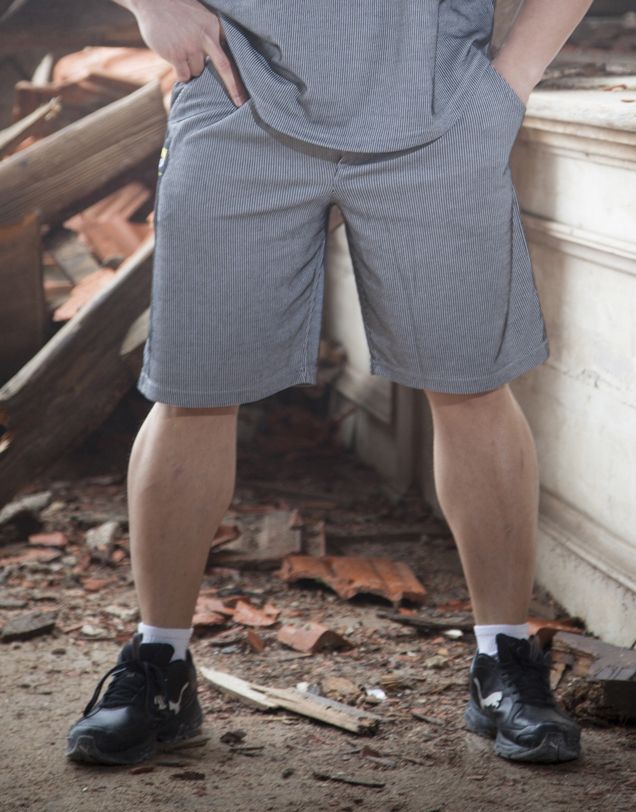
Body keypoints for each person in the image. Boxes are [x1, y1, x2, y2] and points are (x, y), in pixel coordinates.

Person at [67, 0, 592, 766]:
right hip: (239, 97)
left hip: (438, 111)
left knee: (472, 385)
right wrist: (153, 6)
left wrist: (511, 79)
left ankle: (503, 661)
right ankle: (159, 667)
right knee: (190, 392)